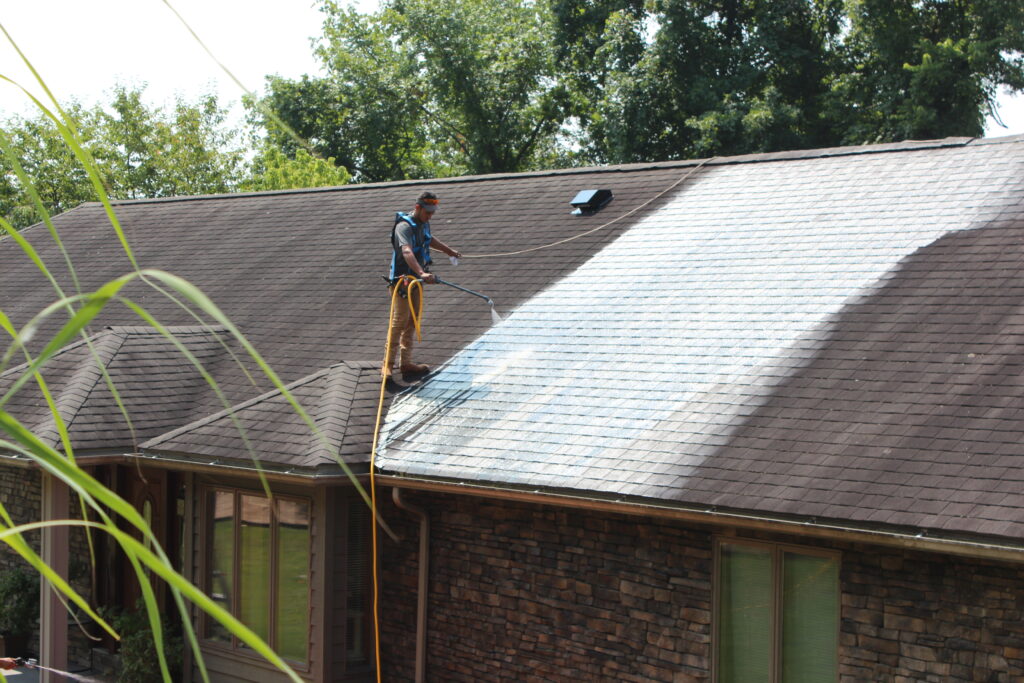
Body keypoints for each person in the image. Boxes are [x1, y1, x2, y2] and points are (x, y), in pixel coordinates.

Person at [384, 191, 461, 378]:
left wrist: (449, 251)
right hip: (402, 281)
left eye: (432, 213)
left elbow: (430, 240)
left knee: (413, 321)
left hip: (417, 282)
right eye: (428, 212)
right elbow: (407, 252)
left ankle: (406, 362)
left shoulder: (424, 223)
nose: (430, 216)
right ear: (417, 207)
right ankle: (387, 364)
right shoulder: (404, 227)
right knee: (399, 322)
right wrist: (422, 272)